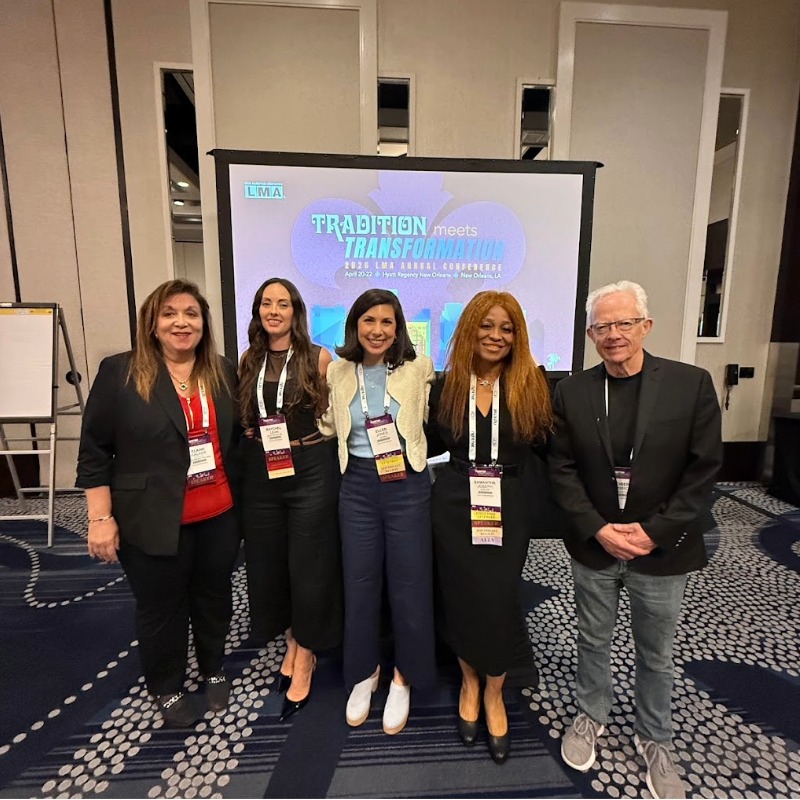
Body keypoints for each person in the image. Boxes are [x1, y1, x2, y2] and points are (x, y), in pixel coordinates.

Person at [548, 280, 722, 799]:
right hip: (594, 542)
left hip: (661, 547)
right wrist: (598, 527)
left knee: (657, 651)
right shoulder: (572, 390)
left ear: (646, 326)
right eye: (602, 326)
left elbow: (704, 470)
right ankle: (590, 715)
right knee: (593, 638)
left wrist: (652, 532)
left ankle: (655, 735)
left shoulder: (690, 384)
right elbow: (561, 470)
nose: (614, 335)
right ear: (589, 334)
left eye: (624, 323)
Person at [76, 279, 241, 728]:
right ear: (152, 323)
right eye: (169, 313)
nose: (181, 322)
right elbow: (94, 451)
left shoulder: (223, 371)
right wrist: (100, 518)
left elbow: (236, 443)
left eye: (191, 313)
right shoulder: (121, 372)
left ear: (204, 323)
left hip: (219, 514)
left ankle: (212, 668)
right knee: (161, 606)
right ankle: (166, 685)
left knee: (213, 599)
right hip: (151, 517)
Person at [427, 290, 553, 764]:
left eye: (506, 328)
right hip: (456, 504)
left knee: (498, 600)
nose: (496, 336)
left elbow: (551, 449)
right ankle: (470, 683)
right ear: (469, 330)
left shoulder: (533, 385)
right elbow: (430, 439)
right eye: (486, 326)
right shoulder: (448, 386)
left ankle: (495, 689)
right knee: (459, 595)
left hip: (509, 506)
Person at [320, 288, 436, 735]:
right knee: (360, 582)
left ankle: (404, 676)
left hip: (406, 484)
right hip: (357, 487)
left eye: (387, 322)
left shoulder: (418, 368)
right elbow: (330, 424)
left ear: (398, 327)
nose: (378, 330)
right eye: (369, 321)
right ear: (355, 325)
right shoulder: (338, 371)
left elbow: (428, 421)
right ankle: (366, 672)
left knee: (409, 583)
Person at [238, 277, 342, 722]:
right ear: (259, 310)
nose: (274, 310)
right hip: (263, 472)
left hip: (310, 469)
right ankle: (291, 638)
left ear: (295, 311)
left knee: (309, 565)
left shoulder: (319, 357)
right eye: (267, 303)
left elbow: (335, 416)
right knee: (271, 562)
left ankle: (305, 652)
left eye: (283, 303)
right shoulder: (249, 358)